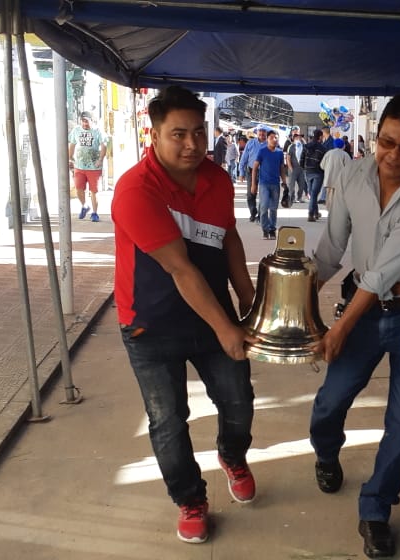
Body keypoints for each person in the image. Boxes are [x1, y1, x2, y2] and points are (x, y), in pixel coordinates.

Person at [111, 86, 259, 545]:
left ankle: (232, 455)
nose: (193, 144)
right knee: (168, 420)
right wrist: (227, 329)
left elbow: (229, 238)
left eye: (199, 132)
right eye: (179, 134)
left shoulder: (218, 179)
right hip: (149, 326)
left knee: (238, 401)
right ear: (153, 134)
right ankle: (190, 499)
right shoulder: (136, 189)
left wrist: (249, 298)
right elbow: (180, 267)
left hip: (212, 315)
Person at [309, 93, 400, 559]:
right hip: (364, 309)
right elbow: (332, 246)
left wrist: (340, 327)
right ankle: (326, 453)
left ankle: (376, 509)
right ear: (376, 135)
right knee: (330, 401)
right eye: (387, 142)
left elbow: (381, 275)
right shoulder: (351, 175)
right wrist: (299, 297)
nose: (394, 155)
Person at [68, 112, 109, 222]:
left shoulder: (97, 131)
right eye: (83, 121)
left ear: (92, 120)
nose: (85, 123)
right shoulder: (76, 131)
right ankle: (84, 206)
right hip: (79, 166)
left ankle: (95, 213)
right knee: (79, 188)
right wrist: (70, 158)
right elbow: (72, 145)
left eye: (87, 121)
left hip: (94, 167)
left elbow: (104, 146)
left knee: (94, 191)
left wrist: (100, 159)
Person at [251, 130, 286, 239]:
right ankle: (265, 230)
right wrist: (253, 184)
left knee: (274, 208)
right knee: (264, 207)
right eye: (271, 138)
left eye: (276, 138)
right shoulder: (262, 152)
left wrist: (285, 182)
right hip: (264, 184)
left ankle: (272, 229)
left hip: (275, 184)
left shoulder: (280, 153)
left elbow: (281, 168)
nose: (274, 140)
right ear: (267, 139)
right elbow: (255, 168)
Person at [240, 127, 268, 222]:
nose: (261, 133)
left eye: (263, 132)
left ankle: (261, 215)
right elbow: (244, 158)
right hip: (251, 171)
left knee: (263, 194)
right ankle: (253, 212)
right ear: (257, 132)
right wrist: (241, 172)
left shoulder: (269, 144)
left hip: (265, 172)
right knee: (250, 194)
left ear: (266, 133)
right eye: (260, 131)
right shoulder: (250, 143)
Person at [318, 137, 352, 217]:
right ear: (343, 146)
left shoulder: (329, 153)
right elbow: (349, 168)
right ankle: (337, 213)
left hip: (329, 180)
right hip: (340, 181)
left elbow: (322, 166)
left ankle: (330, 212)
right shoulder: (345, 155)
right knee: (339, 198)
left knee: (329, 197)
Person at [301, 129, 328, 221]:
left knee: (312, 193)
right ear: (320, 137)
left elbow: (301, 159)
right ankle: (311, 214)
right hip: (318, 173)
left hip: (308, 172)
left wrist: (304, 168)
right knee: (314, 194)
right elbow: (324, 163)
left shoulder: (306, 146)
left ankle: (316, 213)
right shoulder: (323, 149)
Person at [285, 131, 306, 206]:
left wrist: (303, 140)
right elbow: (288, 158)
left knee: (302, 185)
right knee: (291, 185)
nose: (299, 138)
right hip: (293, 169)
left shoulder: (303, 146)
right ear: (294, 138)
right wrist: (290, 168)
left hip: (301, 169)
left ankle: (299, 197)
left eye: (300, 137)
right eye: (297, 137)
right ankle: (292, 198)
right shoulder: (291, 147)